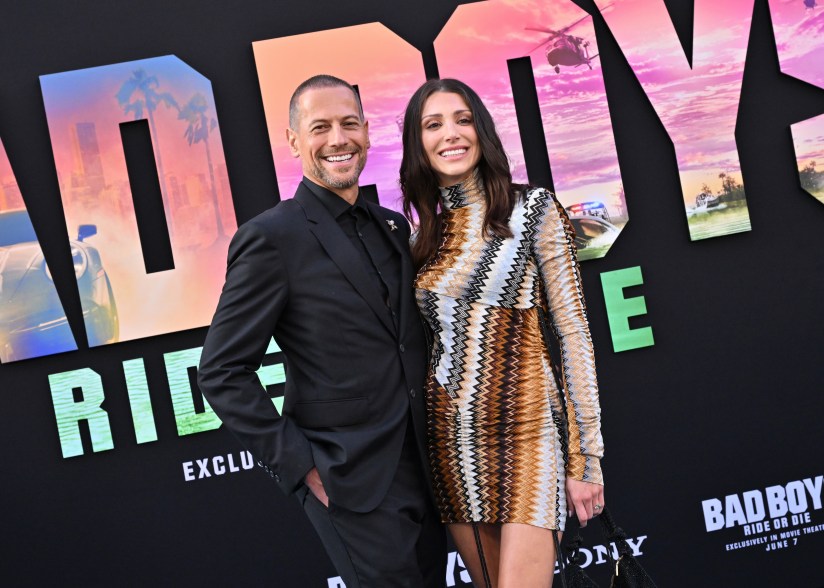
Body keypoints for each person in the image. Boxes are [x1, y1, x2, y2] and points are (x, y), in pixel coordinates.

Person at [198, 74, 445, 588]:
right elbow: (222, 371)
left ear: (368, 133)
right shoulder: (271, 238)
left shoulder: (392, 227)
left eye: (349, 123)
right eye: (320, 127)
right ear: (293, 141)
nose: (338, 139)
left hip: (427, 469)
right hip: (350, 479)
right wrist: (303, 467)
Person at [399, 78, 605, 588]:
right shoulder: (421, 237)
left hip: (532, 433)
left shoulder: (533, 209)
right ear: (417, 144)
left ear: (481, 131)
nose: (451, 133)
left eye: (463, 119)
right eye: (433, 124)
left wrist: (587, 457)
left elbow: (574, 332)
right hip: (453, 442)